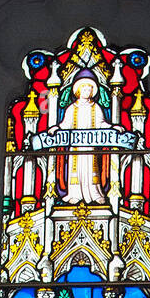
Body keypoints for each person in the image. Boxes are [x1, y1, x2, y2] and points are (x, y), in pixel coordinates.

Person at [57, 69, 111, 205]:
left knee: (92, 170)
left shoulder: (96, 107)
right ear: (78, 91)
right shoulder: (72, 108)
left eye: (90, 89)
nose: (87, 91)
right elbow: (65, 125)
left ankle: (95, 194)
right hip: (75, 147)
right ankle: (74, 194)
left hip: (90, 147)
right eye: (85, 89)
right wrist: (55, 129)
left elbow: (101, 124)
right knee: (76, 171)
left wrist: (113, 127)